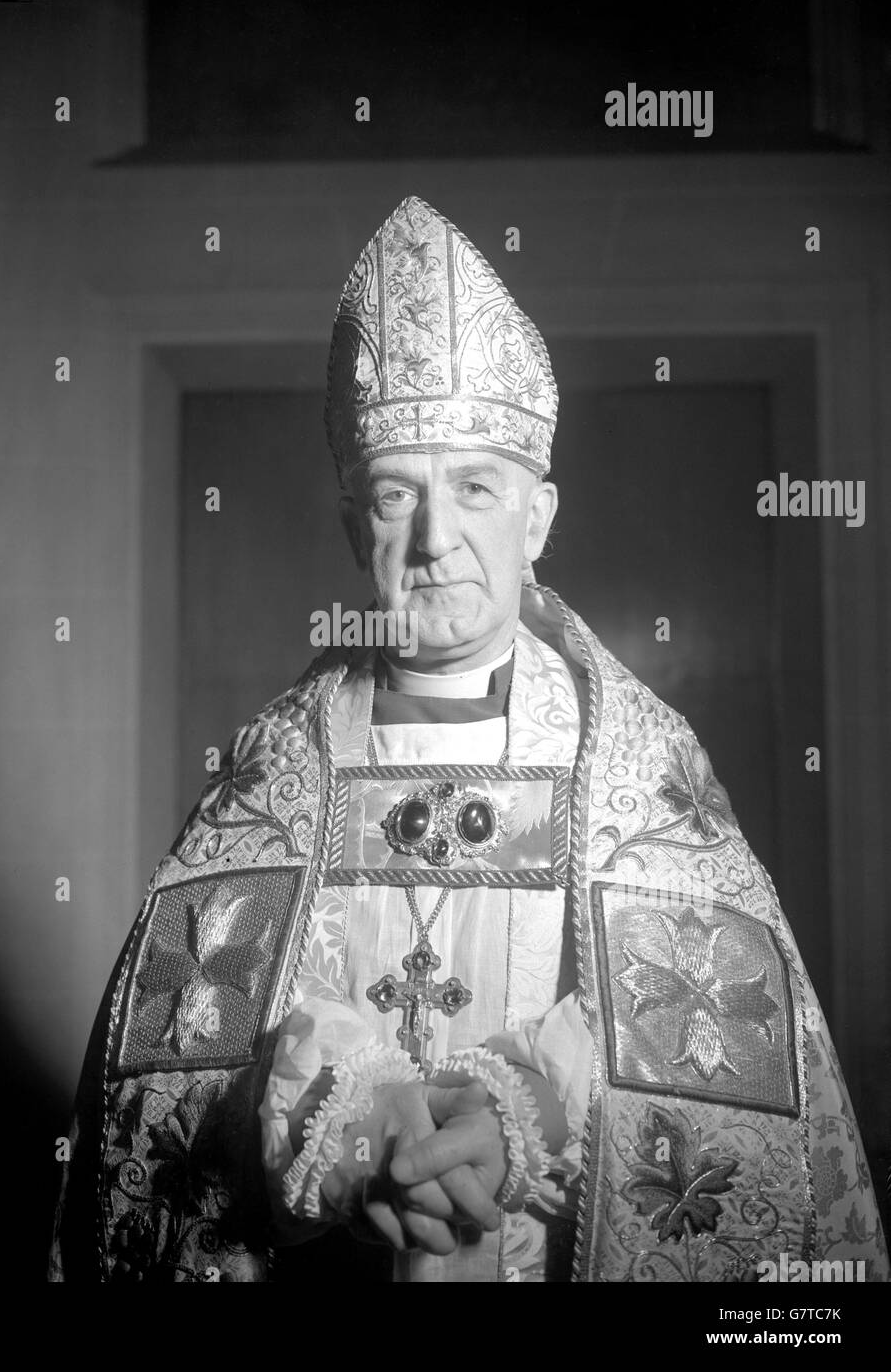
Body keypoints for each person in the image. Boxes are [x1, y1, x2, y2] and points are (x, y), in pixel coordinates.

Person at [50, 195, 887, 1283]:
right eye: (398, 495)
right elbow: (186, 1060)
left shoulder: (631, 760)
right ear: (357, 526)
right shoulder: (278, 766)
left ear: (535, 517)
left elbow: (700, 1032)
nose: (438, 540)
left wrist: (523, 1110)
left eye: (476, 490)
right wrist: (355, 1131)